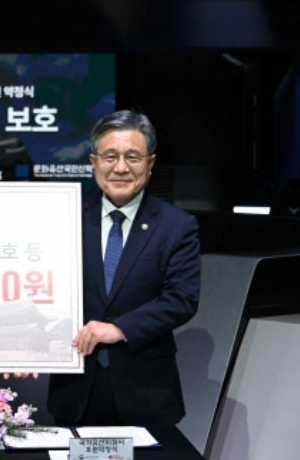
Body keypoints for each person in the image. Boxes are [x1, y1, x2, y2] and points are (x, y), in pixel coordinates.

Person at [47, 109, 201, 426]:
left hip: (146, 389)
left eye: (133, 157)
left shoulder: (177, 226)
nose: (120, 168)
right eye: (110, 156)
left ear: (150, 163)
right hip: (75, 389)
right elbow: (44, 287)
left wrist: (119, 329)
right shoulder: (64, 216)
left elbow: (182, 299)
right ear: (93, 162)